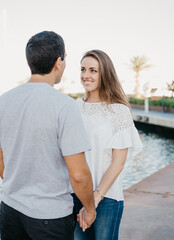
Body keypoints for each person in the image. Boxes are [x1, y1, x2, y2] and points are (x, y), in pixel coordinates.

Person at [0, 31, 96, 240]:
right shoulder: (65, 106)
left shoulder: (2, 102)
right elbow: (79, 174)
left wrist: (21, 189)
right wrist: (90, 209)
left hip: (9, 210)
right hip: (50, 216)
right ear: (58, 62)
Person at [73, 50, 143, 240]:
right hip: (77, 196)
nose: (86, 75)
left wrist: (94, 200)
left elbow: (118, 163)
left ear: (105, 74)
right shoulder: (74, 108)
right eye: (83, 69)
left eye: (93, 70)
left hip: (107, 198)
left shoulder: (118, 111)